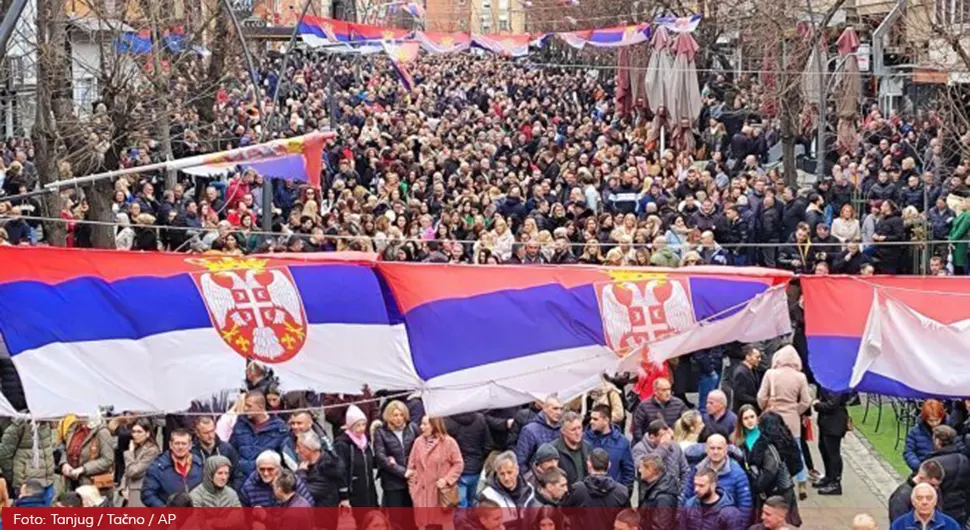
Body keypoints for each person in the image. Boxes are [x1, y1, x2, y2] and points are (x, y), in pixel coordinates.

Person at [757, 345, 811, 499]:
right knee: (796, 450)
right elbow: (806, 401)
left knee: (771, 450)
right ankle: (801, 482)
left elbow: (761, 396)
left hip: (773, 416)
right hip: (792, 419)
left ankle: (777, 479)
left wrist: (765, 407)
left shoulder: (770, 374)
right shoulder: (800, 377)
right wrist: (796, 410)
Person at [736, 410, 801, 526]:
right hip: (786, 487)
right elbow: (798, 465)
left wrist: (757, 487)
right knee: (784, 521)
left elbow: (769, 470)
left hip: (770, 491)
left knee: (769, 521)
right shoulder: (788, 440)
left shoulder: (766, 444)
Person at [407, 416, 464, 530]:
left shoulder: (448, 442)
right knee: (423, 525)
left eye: (425, 424)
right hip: (422, 494)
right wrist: (413, 484)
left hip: (440, 493)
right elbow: (411, 464)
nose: (421, 427)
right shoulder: (418, 442)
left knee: (444, 524)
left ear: (434, 425)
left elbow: (458, 464)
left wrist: (446, 480)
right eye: (421, 424)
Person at [681, 434, 752, 511]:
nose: (715, 452)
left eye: (719, 448)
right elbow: (686, 495)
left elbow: (745, 504)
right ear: (706, 449)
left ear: (725, 450)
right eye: (712, 448)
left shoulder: (738, 473)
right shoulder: (697, 470)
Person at [563, 449, 630, 530]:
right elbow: (628, 520)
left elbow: (563, 513)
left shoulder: (577, 490)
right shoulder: (622, 492)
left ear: (589, 464)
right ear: (609, 465)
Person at [229, 391, 289, 482]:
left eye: (249, 406)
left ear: (260, 407)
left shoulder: (279, 429)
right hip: (240, 481)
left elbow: (285, 459)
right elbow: (231, 451)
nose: (245, 409)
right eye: (245, 405)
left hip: (266, 482)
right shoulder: (240, 425)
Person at [141, 428, 204, 507]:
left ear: (190, 445)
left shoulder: (199, 464)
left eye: (184, 443)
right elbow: (147, 494)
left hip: (195, 515)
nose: (180, 447)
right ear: (170, 444)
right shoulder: (157, 467)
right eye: (177, 443)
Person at [373, 400, 418, 508]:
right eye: (395, 415)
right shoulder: (381, 432)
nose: (399, 418)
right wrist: (403, 472)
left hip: (412, 480)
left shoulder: (412, 428)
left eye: (401, 415)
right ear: (389, 416)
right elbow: (381, 456)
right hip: (392, 483)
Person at [445, 411, 494, 508]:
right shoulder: (480, 419)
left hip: (457, 470)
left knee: (460, 505)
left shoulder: (448, 422)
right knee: (473, 502)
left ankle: (463, 523)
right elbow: (488, 445)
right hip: (476, 468)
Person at [334, 404, 379, 509]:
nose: (361, 429)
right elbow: (340, 471)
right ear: (350, 426)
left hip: (369, 492)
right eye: (358, 425)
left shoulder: (365, 442)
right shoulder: (342, 445)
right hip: (354, 493)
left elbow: (369, 461)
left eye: (363, 425)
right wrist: (344, 496)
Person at [924, 425, 970, 526]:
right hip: (960, 511)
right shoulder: (964, 459)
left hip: (939, 511)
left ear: (937, 441)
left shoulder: (933, 464)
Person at [0, 418, 54, 503]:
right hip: (26, 486)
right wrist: (14, 478)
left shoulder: (46, 423)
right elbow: (4, 455)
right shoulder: (19, 425)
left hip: (47, 484)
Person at [478, 451, 536, 530]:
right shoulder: (487, 495)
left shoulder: (530, 490)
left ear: (517, 470)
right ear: (497, 474)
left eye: (509, 472)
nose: (506, 478)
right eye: (502, 474)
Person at [58, 416, 115, 493]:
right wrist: (64, 463)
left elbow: (108, 460)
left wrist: (83, 469)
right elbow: (65, 449)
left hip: (94, 488)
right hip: (72, 484)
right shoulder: (73, 428)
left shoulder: (102, 432)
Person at [585, 405, 635, 490]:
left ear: (606, 420)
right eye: (591, 418)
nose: (591, 421)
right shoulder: (584, 439)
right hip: (589, 495)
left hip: (614, 494)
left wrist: (623, 493)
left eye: (595, 419)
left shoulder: (622, 442)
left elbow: (628, 472)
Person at [813, 388, 852, 495]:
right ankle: (829, 476)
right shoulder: (828, 383)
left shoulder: (837, 386)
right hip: (826, 422)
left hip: (834, 422)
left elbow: (832, 404)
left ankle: (835, 482)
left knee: (833, 453)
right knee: (824, 448)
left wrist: (817, 405)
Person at [238, 450, 312, 507]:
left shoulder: (292, 480)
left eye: (270, 469)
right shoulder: (249, 486)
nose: (265, 473)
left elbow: (308, 503)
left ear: (279, 468)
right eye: (262, 469)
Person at [295, 430, 348, 508]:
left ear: (310, 449)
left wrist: (301, 473)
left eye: (299, 447)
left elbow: (305, 493)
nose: (296, 451)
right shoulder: (307, 465)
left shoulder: (327, 469)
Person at [632, 419, 690, 489]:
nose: (667, 438)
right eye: (663, 435)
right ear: (652, 438)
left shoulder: (675, 447)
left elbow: (685, 471)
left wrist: (682, 491)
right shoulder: (639, 449)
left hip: (674, 492)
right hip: (651, 493)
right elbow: (642, 466)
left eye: (668, 434)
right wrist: (663, 448)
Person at [192, 416, 241, 489]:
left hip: (225, 494)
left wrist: (230, 492)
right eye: (206, 433)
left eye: (212, 431)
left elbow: (238, 475)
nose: (210, 436)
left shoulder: (227, 449)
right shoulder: (192, 452)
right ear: (197, 433)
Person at [121, 418, 161, 507]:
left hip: (141, 491)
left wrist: (130, 453)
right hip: (130, 491)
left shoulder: (152, 451)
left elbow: (133, 471)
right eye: (134, 432)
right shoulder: (136, 448)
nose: (135, 435)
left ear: (147, 433)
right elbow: (127, 470)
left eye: (139, 432)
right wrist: (123, 487)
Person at [515, 395, 563, 470]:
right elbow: (520, 461)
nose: (559, 412)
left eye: (561, 409)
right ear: (545, 409)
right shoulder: (529, 430)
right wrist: (530, 480)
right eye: (555, 408)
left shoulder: (563, 430)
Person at [890, 483, 961, 530]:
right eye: (919, 498)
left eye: (929, 498)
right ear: (913, 501)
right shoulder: (899, 525)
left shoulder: (951, 525)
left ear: (935, 501)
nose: (924, 502)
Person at [637, 455, 678, 530]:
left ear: (650, 470)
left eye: (641, 467)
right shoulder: (650, 487)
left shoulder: (664, 499)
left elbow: (661, 526)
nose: (639, 470)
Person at [905, 400, 946, 471]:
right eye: (931, 421)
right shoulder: (915, 431)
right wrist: (919, 466)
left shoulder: (950, 430)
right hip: (922, 470)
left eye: (937, 420)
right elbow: (909, 452)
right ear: (925, 418)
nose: (934, 423)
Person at [553, 411, 592, 486]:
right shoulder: (554, 450)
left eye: (579, 428)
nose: (578, 433)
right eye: (573, 430)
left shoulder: (587, 447)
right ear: (563, 431)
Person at [730, 346, 762, 413]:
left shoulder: (753, 371)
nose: (759, 359)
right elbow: (741, 395)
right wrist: (757, 400)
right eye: (757, 357)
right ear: (747, 357)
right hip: (743, 411)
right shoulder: (740, 372)